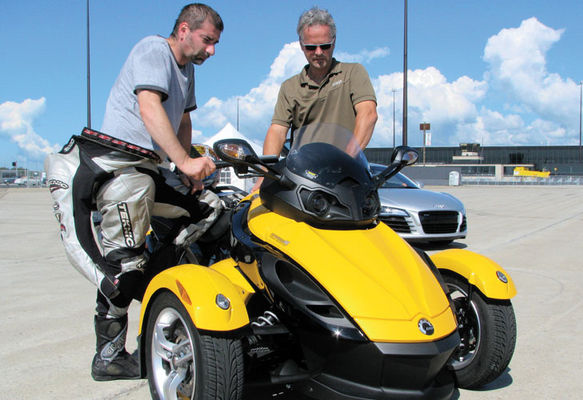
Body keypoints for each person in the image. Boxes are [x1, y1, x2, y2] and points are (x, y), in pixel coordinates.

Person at [45, 3, 224, 381]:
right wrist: (184, 162)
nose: (212, 51)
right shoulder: (152, 50)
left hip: (152, 170)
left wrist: (185, 166)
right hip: (120, 170)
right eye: (207, 41)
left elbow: (184, 118)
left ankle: (159, 281)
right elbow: (149, 107)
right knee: (122, 266)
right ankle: (109, 357)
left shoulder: (186, 69)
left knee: (210, 209)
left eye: (215, 44)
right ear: (183, 30)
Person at [254, 7, 378, 191]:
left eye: (325, 46)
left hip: (347, 176)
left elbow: (368, 115)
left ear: (334, 42)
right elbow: (278, 130)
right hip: (304, 178)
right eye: (311, 47)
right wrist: (265, 175)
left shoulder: (353, 73)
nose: (318, 52)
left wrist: (343, 162)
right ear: (301, 45)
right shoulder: (290, 87)